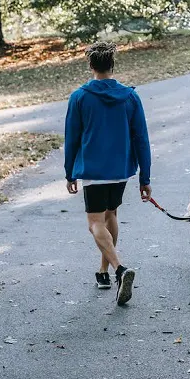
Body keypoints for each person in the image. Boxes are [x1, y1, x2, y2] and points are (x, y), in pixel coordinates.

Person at [64, 41, 152, 306]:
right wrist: (144, 177)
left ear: (91, 65)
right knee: (111, 214)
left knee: (94, 222)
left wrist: (70, 172)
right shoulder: (130, 96)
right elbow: (141, 138)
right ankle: (102, 272)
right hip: (120, 169)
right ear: (113, 65)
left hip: (94, 169)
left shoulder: (79, 97)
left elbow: (72, 138)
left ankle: (119, 269)